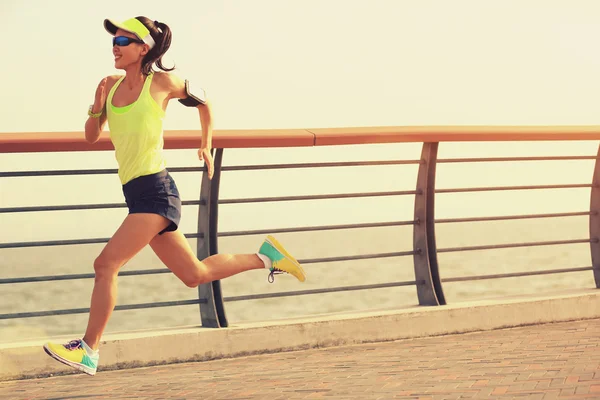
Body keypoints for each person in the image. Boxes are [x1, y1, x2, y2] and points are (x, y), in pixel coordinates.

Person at [43, 16, 306, 376]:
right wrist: (97, 104)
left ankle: (89, 349)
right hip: (136, 194)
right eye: (114, 40)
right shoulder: (110, 85)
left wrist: (207, 144)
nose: (115, 46)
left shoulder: (163, 82)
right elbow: (91, 135)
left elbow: (205, 102)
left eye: (123, 40)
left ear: (143, 48)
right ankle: (266, 257)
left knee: (105, 265)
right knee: (194, 274)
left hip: (157, 191)